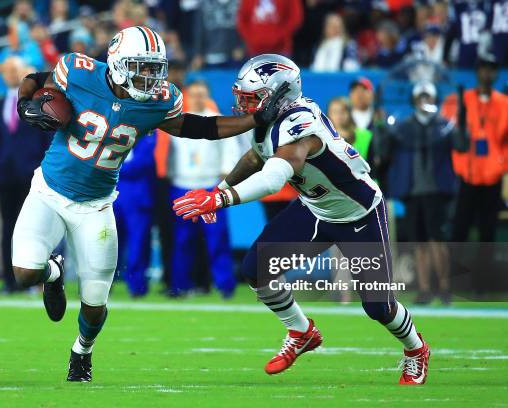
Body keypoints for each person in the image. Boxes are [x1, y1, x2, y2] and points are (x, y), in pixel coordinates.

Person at [13, 26, 287, 382]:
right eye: (142, 66)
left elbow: (198, 127)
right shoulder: (78, 71)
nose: (151, 76)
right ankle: (54, 272)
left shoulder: (159, 100)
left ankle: (82, 350)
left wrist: (253, 120)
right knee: (25, 273)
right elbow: (33, 80)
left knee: (95, 305)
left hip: (97, 205)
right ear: (118, 63)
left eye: (154, 67)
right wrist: (24, 106)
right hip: (49, 190)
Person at [173, 54, 430, 385]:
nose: (245, 104)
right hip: (315, 208)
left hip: (358, 214)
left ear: (281, 94)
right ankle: (301, 331)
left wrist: (219, 199)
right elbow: (255, 157)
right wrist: (220, 188)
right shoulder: (268, 122)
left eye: (253, 97)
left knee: (379, 307)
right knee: (255, 269)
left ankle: (416, 349)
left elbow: (273, 177)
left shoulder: (301, 124)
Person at [386, 82, 468, 305]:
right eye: (421, 97)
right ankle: (424, 290)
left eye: (428, 97)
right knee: (418, 242)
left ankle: (443, 288)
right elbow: (386, 151)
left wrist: (463, 120)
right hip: (412, 192)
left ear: (434, 100)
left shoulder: (444, 125)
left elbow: (462, 145)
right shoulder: (404, 127)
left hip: (437, 190)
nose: (424, 101)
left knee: (437, 240)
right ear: (414, 100)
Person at [167, 81, 239, 298]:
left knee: (217, 238)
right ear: (188, 96)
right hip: (182, 186)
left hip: (210, 189)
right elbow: (166, 152)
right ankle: (180, 286)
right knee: (182, 240)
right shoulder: (177, 121)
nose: (198, 98)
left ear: (207, 96)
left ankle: (225, 286)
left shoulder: (217, 120)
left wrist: (225, 177)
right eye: (195, 94)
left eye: (202, 94)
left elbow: (231, 150)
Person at [0, 56, 50, 293]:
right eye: (6, 70)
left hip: (31, 174)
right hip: (4, 176)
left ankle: (33, 280)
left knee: (33, 229)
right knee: (6, 228)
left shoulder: (41, 101)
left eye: (15, 69)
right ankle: (8, 280)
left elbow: (47, 138)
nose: (11, 74)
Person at [442, 56, 508, 242]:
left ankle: (485, 271)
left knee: (488, 233)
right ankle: (457, 270)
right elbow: (447, 134)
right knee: (459, 230)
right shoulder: (459, 100)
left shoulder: (505, 103)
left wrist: (502, 166)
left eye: (492, 69)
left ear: (496, 74)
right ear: (477, 71)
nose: (487, 73)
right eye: (484, 68)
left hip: (493, 178)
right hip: (465, 177)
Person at [113, 131, 157, 297]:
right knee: (105, 243)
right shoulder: (113, 130)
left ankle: (136, 286)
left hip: (137, 197)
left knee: (138, 244)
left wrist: (111, 166)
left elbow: (143, 162)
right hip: (112, 195)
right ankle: (100, 285)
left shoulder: (148, 132)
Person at [237, 0, 303, 57]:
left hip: (281, 49)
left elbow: (295, 18)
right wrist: (252, 38)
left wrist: (279, 36)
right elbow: (242, 19)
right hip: (255, 50)